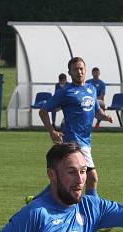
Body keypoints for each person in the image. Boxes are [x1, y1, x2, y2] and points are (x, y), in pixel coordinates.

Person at [38, 57, 112, 193]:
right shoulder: (66, 92)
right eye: (75, 69)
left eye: (81, 69)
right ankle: (91, 209)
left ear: (85, 70)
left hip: (86, 140)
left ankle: (37, 200)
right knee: (92, 177)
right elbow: (43, 111)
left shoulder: (92, 89)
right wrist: (52, 131)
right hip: (74, 141)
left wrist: (104, 116)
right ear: (70, 73)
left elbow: (97, 112)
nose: (79, 72)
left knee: (64, 178)